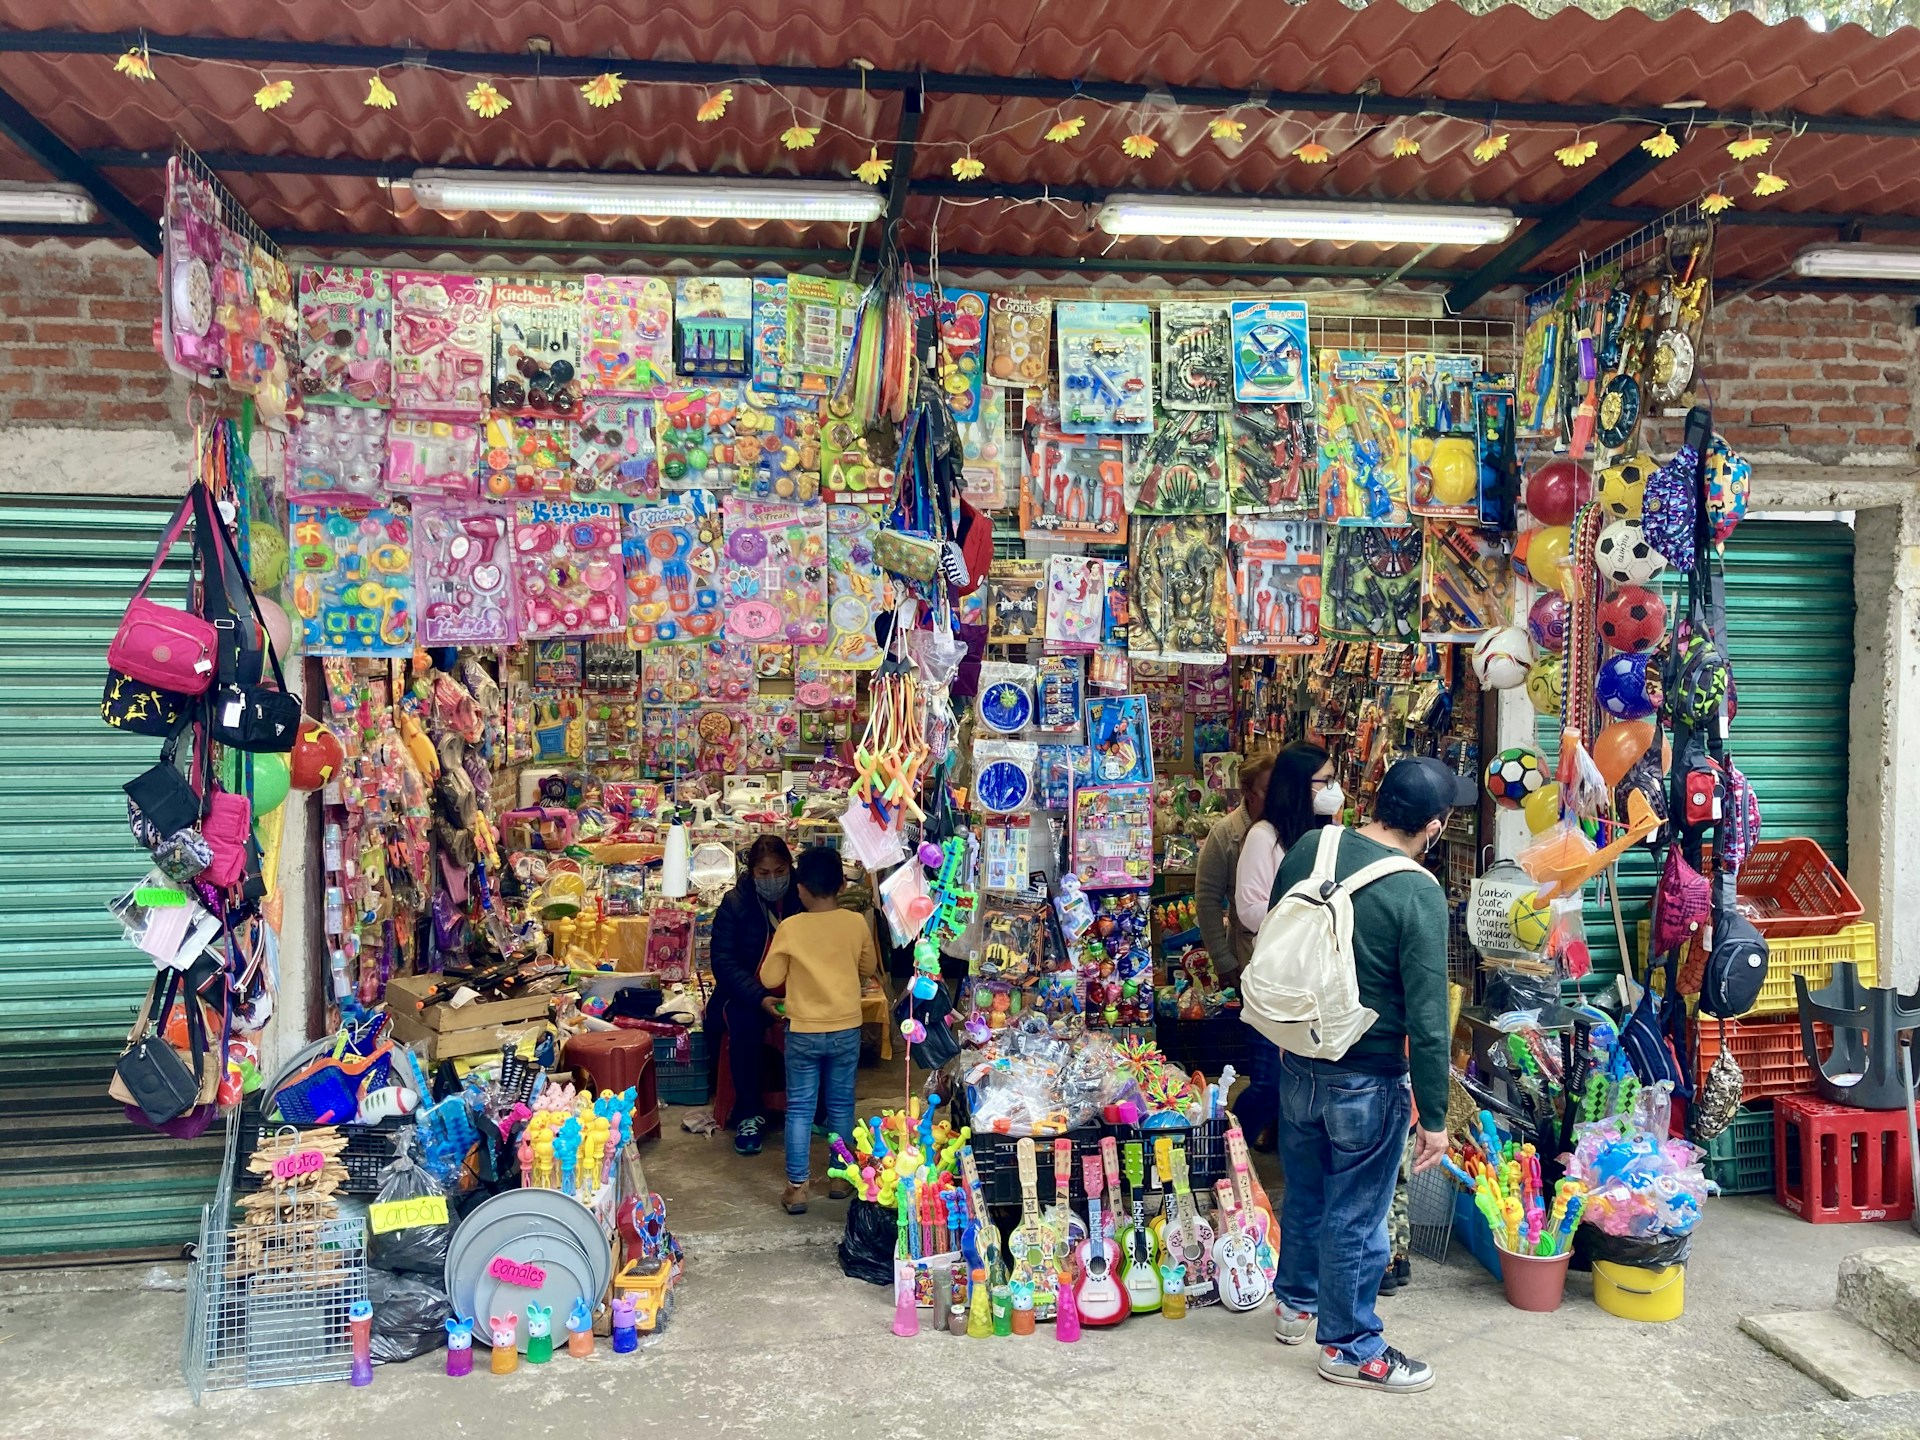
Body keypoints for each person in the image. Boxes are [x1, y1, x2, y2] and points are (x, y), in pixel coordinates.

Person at [1266, 757, 1468, 1394]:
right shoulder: (1417, 891)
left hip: (1298, 1058)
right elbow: (1430, 1020)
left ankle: (1294, 1305)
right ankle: (1350, 1344)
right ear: (1432, 828)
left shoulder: (1309, 847)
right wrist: (1433, 1117)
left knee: (1305, 1194)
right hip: (1368, 1077)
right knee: (1357, 1214)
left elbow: (1280, 936)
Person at [758, 844, 879, 1215]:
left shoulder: (792, 928)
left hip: (804, 1031)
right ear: (842, 885)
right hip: (846, 1028)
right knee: (841, 1104)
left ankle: (797, 1188)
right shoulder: (856, 923)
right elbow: (867, 967)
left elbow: (769, 977)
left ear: (800, 887)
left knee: (800, 1110)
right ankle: (841, 1176)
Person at [1232, 741, 1340, 1148]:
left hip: (1319, 982)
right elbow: (1248, 908)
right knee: (1268, 1081)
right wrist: (1305, 914)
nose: (1333, 789)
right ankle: (1223, 1144)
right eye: (1325, 781)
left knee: (1302, 1080)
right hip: (1277, 979)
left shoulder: (1328, 836)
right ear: (1299, 785)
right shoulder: (1264, 837)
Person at [704, 836, 800, 1157]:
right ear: (751, 872)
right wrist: (760, 997)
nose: (773, 879)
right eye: (763, 873)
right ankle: (748, 1112)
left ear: (790, 867)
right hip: (748, 995)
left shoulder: (803, 897)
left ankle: (812, 1107)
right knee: (744, 1026)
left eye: (779, 870)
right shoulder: (735, 904)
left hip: (799, 990)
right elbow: (724, 963)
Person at [1193, 751, 1276, 981]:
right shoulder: (1225, 834)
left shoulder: (1285, 826)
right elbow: (1207, 899)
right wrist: (1223, 960)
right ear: (1248, 792)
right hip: (1244, 951)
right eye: (1267, 791)